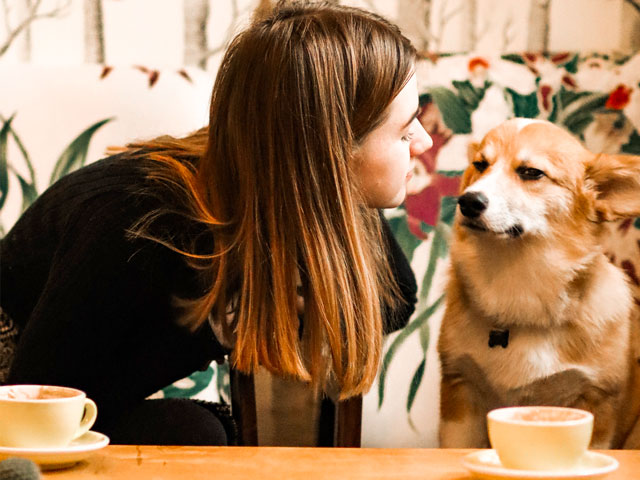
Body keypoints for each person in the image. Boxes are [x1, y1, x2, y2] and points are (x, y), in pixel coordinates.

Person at [0, 1, 432, 446]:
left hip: (82, 400)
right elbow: (32, 410)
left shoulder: (299, 191)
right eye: (404, 130)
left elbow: (393, 299)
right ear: (329, 154)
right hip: (18, 392)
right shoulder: (136, 228)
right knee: (198, 433)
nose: (425, 140)